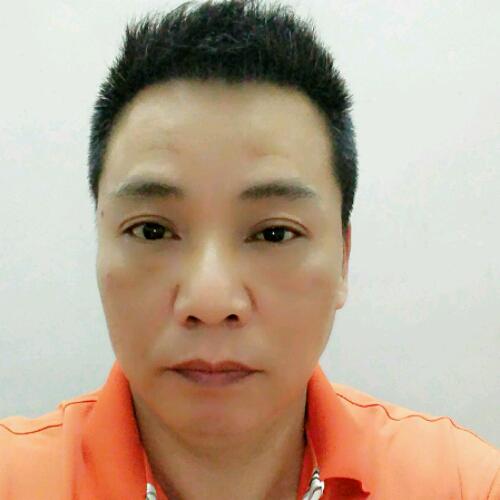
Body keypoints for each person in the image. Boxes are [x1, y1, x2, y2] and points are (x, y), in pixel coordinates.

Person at [1, 0, 498, 498]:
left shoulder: (462, 484)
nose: (210, 302)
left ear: (343, 260)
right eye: (151, 230)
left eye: (273, 234)